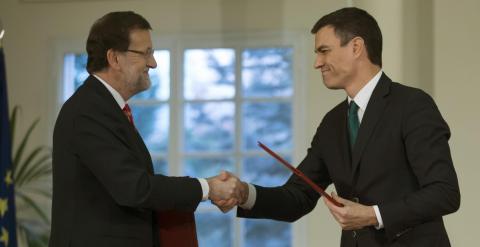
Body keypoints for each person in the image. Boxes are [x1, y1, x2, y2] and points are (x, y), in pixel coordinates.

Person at [216, 7, 460, 247]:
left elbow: (444, 192)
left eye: (324, 51)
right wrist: (245, 193)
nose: (317, 63)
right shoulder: (332, 123)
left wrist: (373, 215)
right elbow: (297, 197)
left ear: (356, 47)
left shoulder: (412, 105)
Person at [49, 11, 242, 247]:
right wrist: (207, 188)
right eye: (146, 53)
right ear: (114, 58)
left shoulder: (105, 108)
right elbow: (135, 188)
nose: (153, 63)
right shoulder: (88, 111)